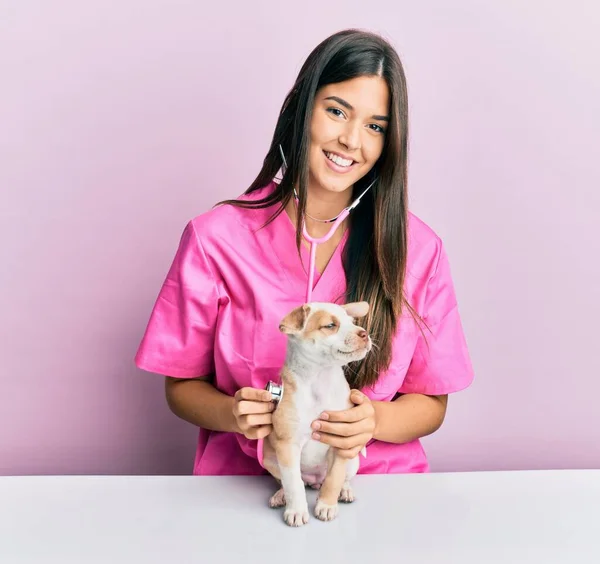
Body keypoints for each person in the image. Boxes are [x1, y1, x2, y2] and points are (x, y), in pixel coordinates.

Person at [134, 28, 474, 476]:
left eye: (375, 126)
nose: (352, 140)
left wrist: (374, 421)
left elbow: (431, 399)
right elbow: (180, 385)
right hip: (245, 491)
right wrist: (232, 414)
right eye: (337, 111)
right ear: (301, 109)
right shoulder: (214, 239)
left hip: (376, 491)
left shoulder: (419, 250)